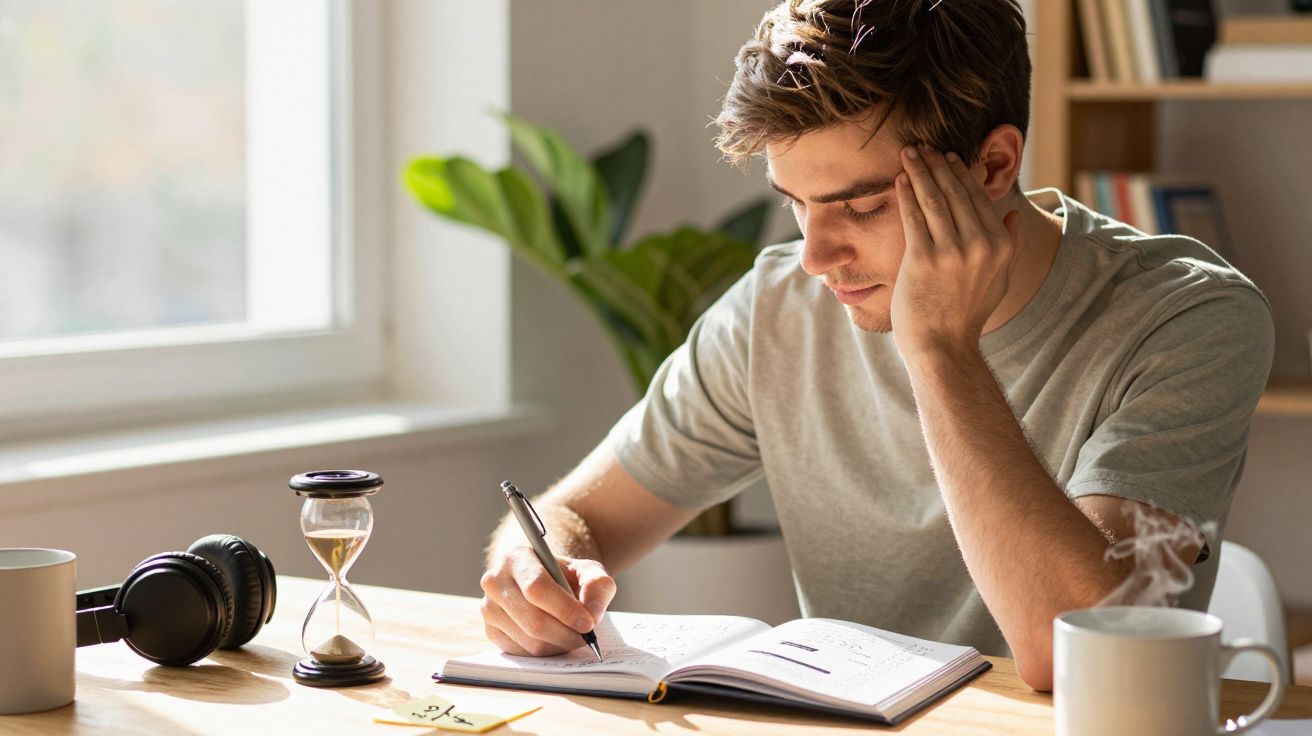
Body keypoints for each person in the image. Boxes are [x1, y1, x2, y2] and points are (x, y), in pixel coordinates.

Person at [478, 0, 1274, 691]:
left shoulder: (1187, 319)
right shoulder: (778, 306)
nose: (817, 257)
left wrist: (939, 349)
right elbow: (573, 514)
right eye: (797, 204)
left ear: (993, 164)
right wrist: (536, 569)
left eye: (858, 207)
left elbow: (1075, 651)